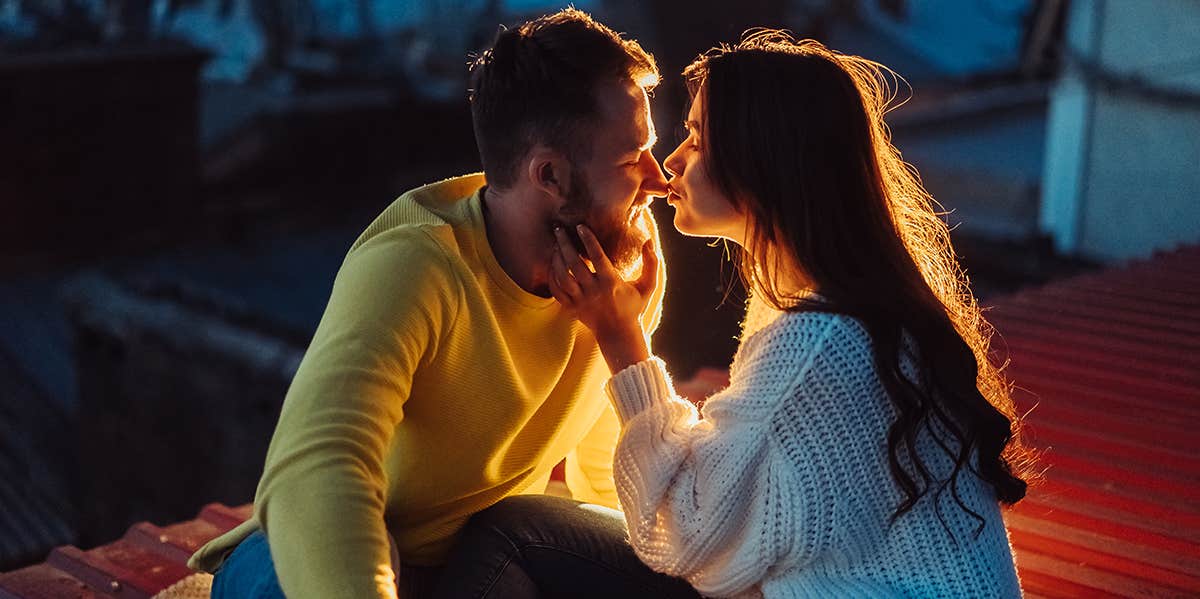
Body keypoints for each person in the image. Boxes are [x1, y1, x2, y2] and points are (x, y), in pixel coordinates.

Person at [186, 9, 699, 599]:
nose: (658, 180)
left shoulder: (615, 267)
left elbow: (605, 473)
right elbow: (316, 466)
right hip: (335, 550)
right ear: (551, 176)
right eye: (630, 158)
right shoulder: (417, 265)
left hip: (481, 559)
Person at [541, 32, 1034, 597]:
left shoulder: (817, 338)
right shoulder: (838, 305)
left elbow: (686, 534)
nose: (672, 161)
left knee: (519, 532)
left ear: (763, 160)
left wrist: (621, 335)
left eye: (698, 140)